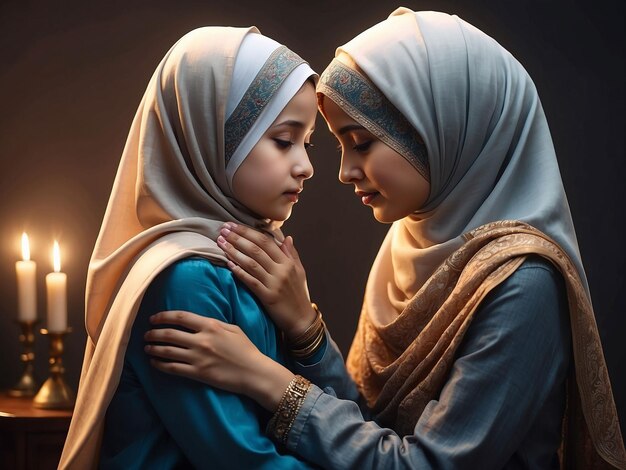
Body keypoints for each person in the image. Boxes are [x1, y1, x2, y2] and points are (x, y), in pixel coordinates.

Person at [144, 8, 626, 470]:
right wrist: (304, 329)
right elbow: (368, 430)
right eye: (335, 144)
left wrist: (268, 380)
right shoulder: (407, 243)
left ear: (438, 126)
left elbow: (424, 463)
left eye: (363, 141)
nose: (342, 172)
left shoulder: (522, 282)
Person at [59, 26, 320, 469]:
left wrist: (305, 325)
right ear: (211, 136)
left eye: (308, 142)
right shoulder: (185, 276)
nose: (306, 166)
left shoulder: (250, 257)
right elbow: (241, 458)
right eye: (283, 139)